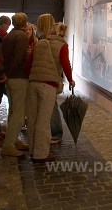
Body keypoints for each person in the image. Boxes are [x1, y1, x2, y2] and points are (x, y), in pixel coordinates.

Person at [26, 22, 75, 163]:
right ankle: (40, 154)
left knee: (32, 118)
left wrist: (30, 76)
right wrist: (70, 80)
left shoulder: (41, 42)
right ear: (63, 33)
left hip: (33, 82)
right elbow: (65, 64)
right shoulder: (62, 45)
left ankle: (32, 150)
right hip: (48, 85)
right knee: (43, 120)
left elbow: (30, 62)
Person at [0, 12, 31, 157]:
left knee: (12, 111)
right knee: (19, 113)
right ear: (25, 23)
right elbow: (18, 58)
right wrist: (10, 72)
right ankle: (8, 145)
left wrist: (6, 73)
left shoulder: (9, 35)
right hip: (18, 77)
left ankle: (13, 139)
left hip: (11, 78)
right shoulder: (22, 36)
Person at [36, 13, 63, 144]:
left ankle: (56, 132)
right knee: (50, 104)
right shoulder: (54, 39)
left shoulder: (48, 40)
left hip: (49, 77)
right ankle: (52, 131)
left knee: (51, 105)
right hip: (52, 76)